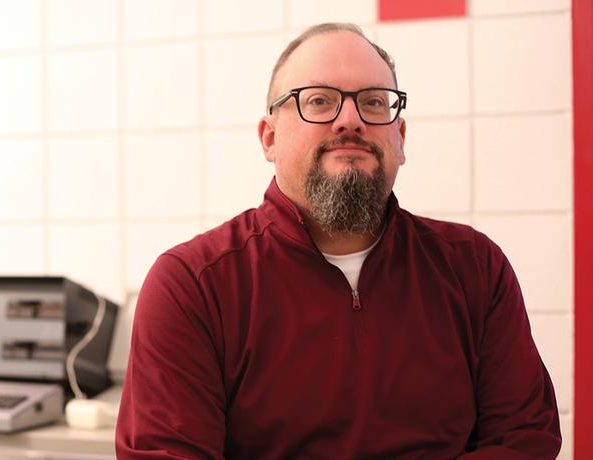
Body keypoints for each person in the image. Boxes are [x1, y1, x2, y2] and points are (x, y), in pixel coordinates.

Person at [115, 23, 561, 459]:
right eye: (319, 100)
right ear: (269, 137)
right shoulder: (193, 285)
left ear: (400, 139)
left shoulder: (474, 268)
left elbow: (524, 439)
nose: (351, 120)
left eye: (373, 102)